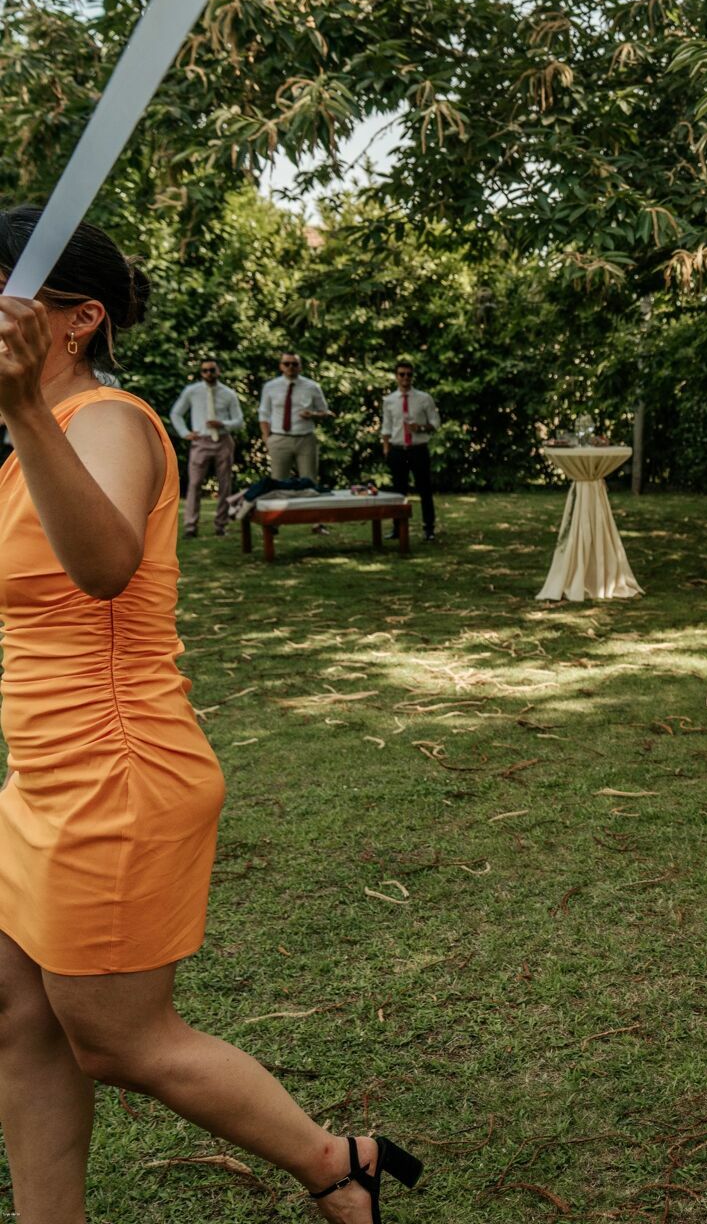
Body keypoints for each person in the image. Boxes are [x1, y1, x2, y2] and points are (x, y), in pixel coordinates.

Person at [0, 207, 421, 1224]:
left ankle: (334, 1161)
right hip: (43, 775)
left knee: (117, 1038)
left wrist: (18, 407)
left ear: (76, 319)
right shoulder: (26, 442)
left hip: (118, 772)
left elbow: (102, 568)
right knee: (20, 1021)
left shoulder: (107, 422)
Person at [167, 356, 244, 538]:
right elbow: (176, 413)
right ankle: (190, 526)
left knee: (225, 484)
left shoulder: (229, 394)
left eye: (212, 370)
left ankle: (221, 525)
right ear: (201, 373)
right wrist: (185, 433)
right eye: (205, 370)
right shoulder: (192, 391)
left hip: (223, 440)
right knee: (194, 484)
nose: (208, 373)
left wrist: (223, 424)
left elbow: (239, 421)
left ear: (219, 371)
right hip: (200, 441)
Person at [380, 361, 440, 542]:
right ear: (396, 376)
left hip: (418, 449)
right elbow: (386, 427)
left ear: (412, 377)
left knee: (425, 490)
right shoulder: (389, 400)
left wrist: (420, 428)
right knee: (399, 492)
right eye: (402, 374)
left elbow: (435, 424)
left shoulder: (424, 398)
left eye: (408, 374)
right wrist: (386, 449)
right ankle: (398, 528)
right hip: (398, 449)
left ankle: (429, 529)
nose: (405, 378)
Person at [257, 352, 331, 482]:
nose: (290, 367)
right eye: (286, 364)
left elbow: (325, 412)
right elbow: (264, 413)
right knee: (278, 482)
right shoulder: (270, 387)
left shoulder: (312, 387)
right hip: (279, 438)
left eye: (294, 364)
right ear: (281, 366)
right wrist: (266, 438)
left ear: (300, 367)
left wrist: (313, 414)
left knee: (309, 482)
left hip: (305, 439)